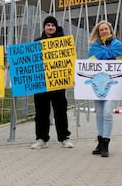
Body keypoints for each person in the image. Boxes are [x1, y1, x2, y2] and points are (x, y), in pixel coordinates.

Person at [87, 21, 122, 157]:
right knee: (99, 113)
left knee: (107, 112)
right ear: (98, 32)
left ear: (110, 30)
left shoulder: (118, 46)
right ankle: (100, 142)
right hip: (98, 84)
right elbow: (88, 64)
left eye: (106, 29)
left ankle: (106, 143)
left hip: (112, 85)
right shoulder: (95, 47)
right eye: (101, 30)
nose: (104, 31)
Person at [31, 16, 74, 149]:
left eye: (53, 25)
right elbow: (30, 60)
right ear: (44, 27)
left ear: (56, 27)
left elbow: (69, 61)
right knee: (41, 113)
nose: (50, 27)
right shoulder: (37, 42)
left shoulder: (63, 42)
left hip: (58, 83)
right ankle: (41, 138)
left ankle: (64, 138)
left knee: (60, 112)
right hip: (41, 83)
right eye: (48, 25)